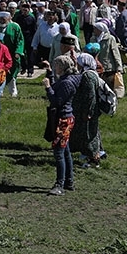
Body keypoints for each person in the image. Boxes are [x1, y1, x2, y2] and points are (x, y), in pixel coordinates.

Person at [46, 36, 82, 195]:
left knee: (59, 152)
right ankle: (69, 182)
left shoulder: (67, 83)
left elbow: (56, 100)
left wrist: (47, 88)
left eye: (56, 66)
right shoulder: (66, 79)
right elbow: (57, 87)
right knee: (65, 151)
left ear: (63, 67)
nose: (55, 68)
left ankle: (59, 184)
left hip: (63, 120)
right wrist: (49, 75)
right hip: (64, 118)